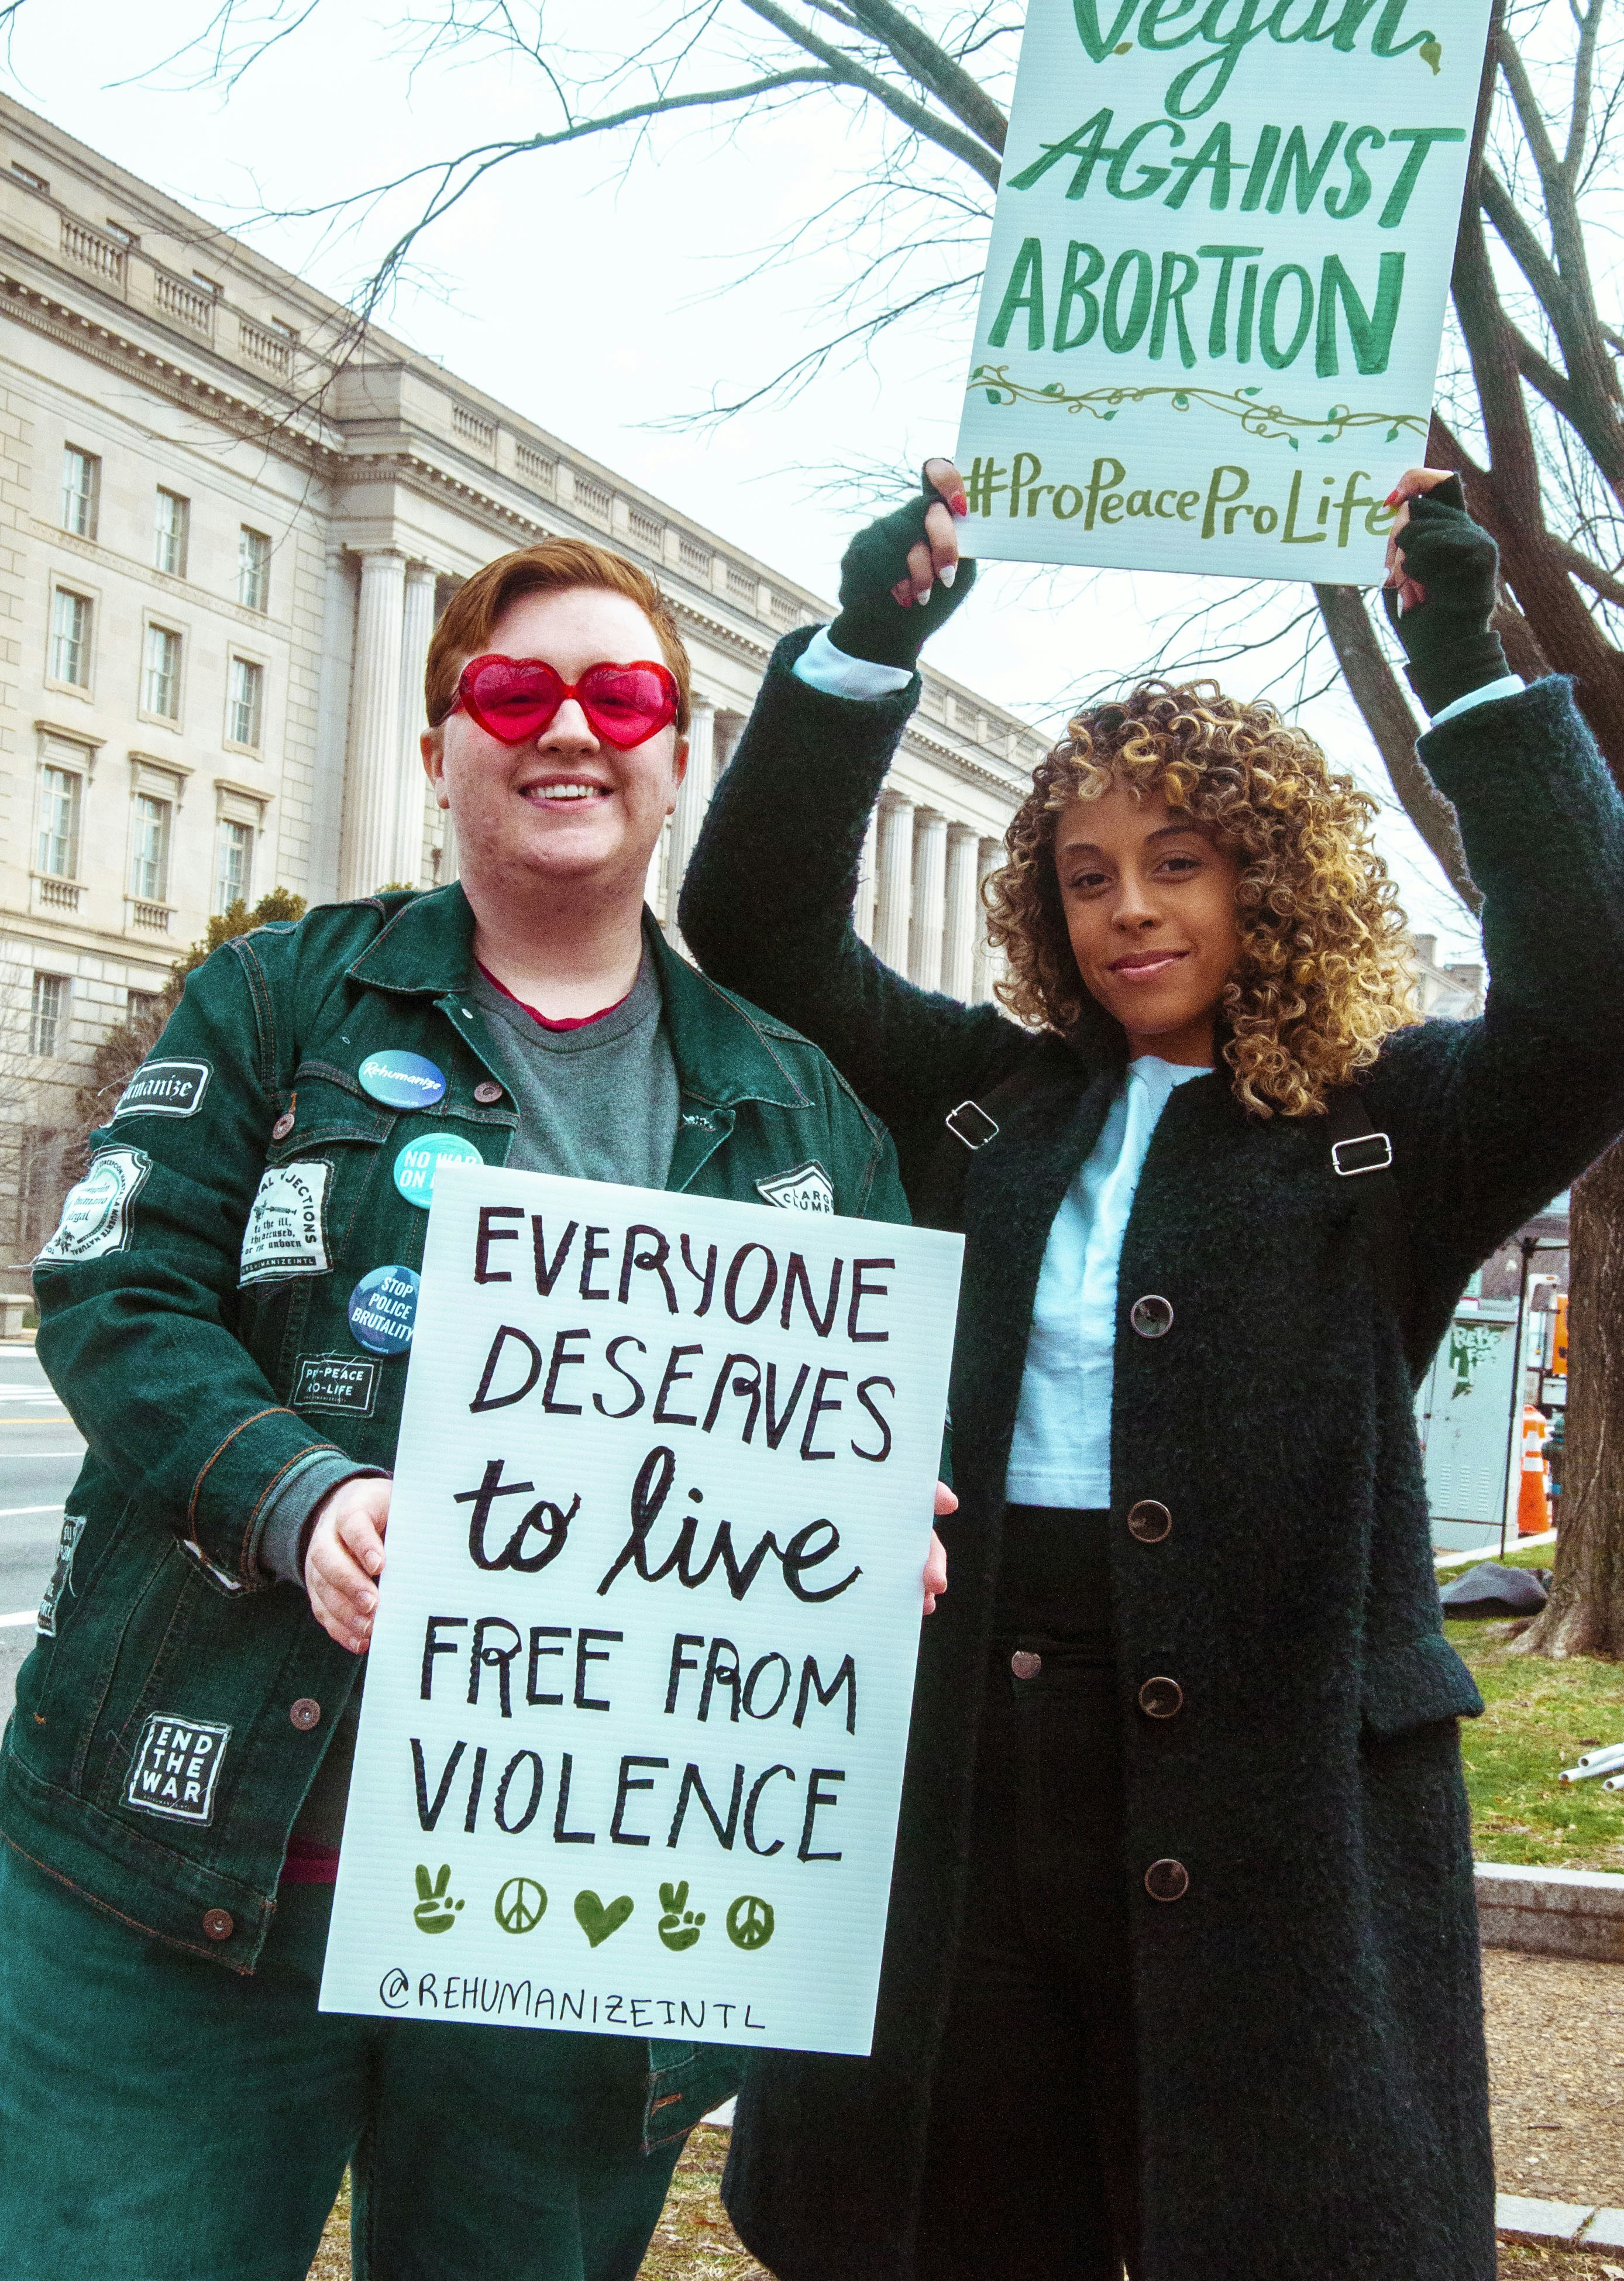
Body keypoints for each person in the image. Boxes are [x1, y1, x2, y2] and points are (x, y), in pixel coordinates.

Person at [679, 461, 1624, 2281]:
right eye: (1090, 872)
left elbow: (1589, 989)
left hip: (1276, 1786)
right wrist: (866, 655)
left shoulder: (1382, 1130)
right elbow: (767, 931)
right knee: (960, 2221)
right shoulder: (984, 1098)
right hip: (977, 1747)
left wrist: (1473, 676)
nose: (1129, 910)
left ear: (1261, 876)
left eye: (1178, 864)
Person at [0, 536, 923, 2281]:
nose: (569, 727)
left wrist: (878, 1533)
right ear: (440, 748)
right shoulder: (280, 999)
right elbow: (113, 1282)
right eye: (514, 690)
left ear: (674, 758)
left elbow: (867, 1436)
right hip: (179, 1880)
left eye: (621, 695)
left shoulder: (797, 1106)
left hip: (573, 1934)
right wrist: (295, 1492)